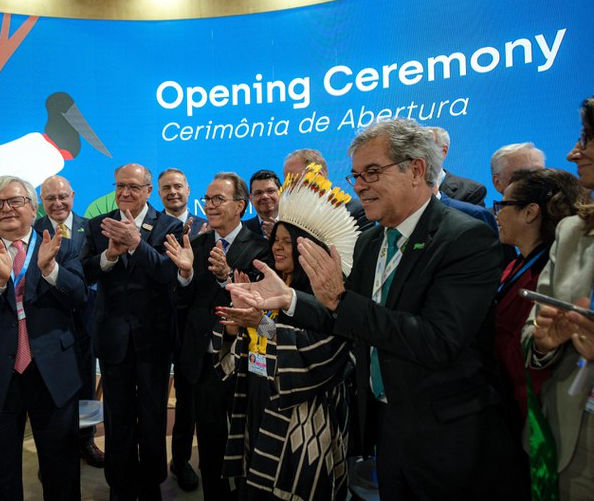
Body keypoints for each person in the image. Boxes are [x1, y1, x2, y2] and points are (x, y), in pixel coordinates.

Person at [229, 119, 528, 500]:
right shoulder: (371, 242)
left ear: (416, 169)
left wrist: (339, 300)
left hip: (449, 436)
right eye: (356, 175)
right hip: (387, 430)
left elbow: (437, 341)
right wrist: (289, 301)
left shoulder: (465, 238)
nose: (359, 185)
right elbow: (347, 320)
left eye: (372, 172)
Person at [213, 165, 359, 500]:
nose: (277, 248)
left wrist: (259, 323)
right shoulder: (272, 285)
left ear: (309, 248)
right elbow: (251, 347)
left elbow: (323, 352)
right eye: (275, 240)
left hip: (304, 419)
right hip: (261, 401)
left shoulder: (329, 296)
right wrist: (236, 329)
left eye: (286, 242)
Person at [0, 175, 86, 500]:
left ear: (33, 206)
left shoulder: (61, 247)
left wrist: (51, 271)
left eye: (15, 201)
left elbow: (79, 296)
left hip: (51, 375)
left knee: (61, 468)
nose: (6, 208)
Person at [164, 172, 272, 500]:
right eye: (207, 200)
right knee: (210, 443)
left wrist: (229, 279)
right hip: (203, 359)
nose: (209, 206)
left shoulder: (261, 249)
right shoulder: (194, 245)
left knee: (248, 441)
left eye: (218, 200)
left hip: (245, 359)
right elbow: (182, 303)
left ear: (240, 205)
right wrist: (184, 274)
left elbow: (263, 301)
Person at [81, 163, 182, 501]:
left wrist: (138, 244)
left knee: (153, 412)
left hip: (154, 338)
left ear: (148, 190)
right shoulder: (98, 226)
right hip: (113, 339)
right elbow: (83, 273)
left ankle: (152, 480)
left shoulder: (171, 225)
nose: (125, 193)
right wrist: (109, 255)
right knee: (118, 414)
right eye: (119, 186)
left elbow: (169, 274)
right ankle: (120, 483)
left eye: (133, 188)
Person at [523, 96, 594, 500]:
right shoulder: (572, 233)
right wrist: (545, 341)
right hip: (570, 443)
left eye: (586, 138)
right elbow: (531, 335)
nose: (573, 152)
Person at [494, 168, 583, 421]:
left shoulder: (551, 274)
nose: (497, 214)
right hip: (510, 400)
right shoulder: (516, 264)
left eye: (503, 205)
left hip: (538, 412)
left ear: (530, 212)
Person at [36, 175, 104, 468]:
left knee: (87, 385)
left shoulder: (90, 228)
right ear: (42, 201)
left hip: (86, 319)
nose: (57, 203)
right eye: (50, 198)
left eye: (62, 196)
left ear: (73, 196)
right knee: (50, 389)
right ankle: (54, 450)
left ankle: (86, 440)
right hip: (48, 324)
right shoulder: (32, 230)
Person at [156, 167, 205, 491]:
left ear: (188, 189)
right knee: (153, 397)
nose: (172, 192)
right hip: (156, 326)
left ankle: (181, 460)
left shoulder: (205, 227)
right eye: (166, 188)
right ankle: (153, 463)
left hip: (192, 328)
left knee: (188, 397)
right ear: (159, 193)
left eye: (177, 186)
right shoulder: (150, 227)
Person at [282, 148, 373, 232]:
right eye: (287, 184)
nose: (290, 190)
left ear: (318, 177)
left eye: (295, 182)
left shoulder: (356, 211)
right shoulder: (290, 217)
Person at [428, 126, 488, 206]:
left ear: (443, 151)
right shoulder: (406, 188)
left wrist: (437, 196)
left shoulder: (471, 191)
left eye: (426, 147)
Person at [243, 170, 280, 239]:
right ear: (251, 199)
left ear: (281, 193)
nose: (265, 196)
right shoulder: (242, 230)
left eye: (270, 191)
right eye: (258, 193)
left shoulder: (295, 227)